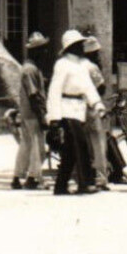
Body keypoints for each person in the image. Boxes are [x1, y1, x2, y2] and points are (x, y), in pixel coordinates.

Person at [46, 29, 101, 195]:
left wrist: (97, 104)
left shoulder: (82, 65)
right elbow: (54, 91)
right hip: (66, 109)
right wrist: (54, 118)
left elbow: (88, 87)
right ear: (71, 47)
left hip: (79, 109)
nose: (82, 47)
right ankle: (85, 183)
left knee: (70, 151)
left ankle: (60, 186)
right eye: (78, 44)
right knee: (81, 145)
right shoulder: (62, 65)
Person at [11, 32, 49, 189]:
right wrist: (42, 116)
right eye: (42, 49)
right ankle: (33, 178)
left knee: (26, 146)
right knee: (37, 147)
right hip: (33, 113)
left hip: (26, 112)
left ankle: (17, 176)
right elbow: (34, 95)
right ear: (35, 51)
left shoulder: (31, 68)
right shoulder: (30, 70)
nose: (45, 52)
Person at [80, 36, 111, 190]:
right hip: (92, 108)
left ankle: (87, 175)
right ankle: (101, 177)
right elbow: (101, 88)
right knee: (98, 144)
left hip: (78, 109)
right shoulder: (92, 67)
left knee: (85, 144)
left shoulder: (78, 65)